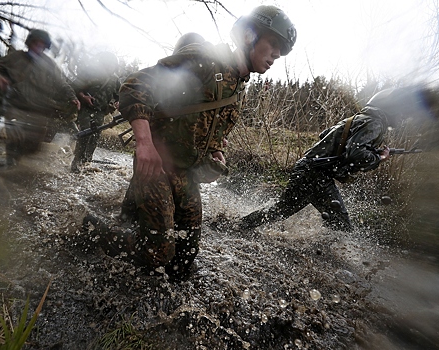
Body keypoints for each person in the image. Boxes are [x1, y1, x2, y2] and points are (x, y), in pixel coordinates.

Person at [83, 5, 297, 281]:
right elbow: (134, 87)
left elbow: (214, 131)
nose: (277, 54)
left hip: (186, 174)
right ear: (248, 36)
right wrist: (144, 145)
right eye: (274, 44)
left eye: (281, 49)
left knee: (184, 259)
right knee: (158, 253)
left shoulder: (239, 88)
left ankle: (130, 224)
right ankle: (93, 228)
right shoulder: (204, 61)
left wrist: (216, 153)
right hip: (157, 164)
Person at [239, 86, 439, 232]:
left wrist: (368, 149)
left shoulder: (357, 119)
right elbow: (355, 155)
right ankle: (327, 264)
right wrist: (378, 158)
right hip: (316, 173)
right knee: (341, 225)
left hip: (308, 168)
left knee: (281, 210)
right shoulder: (375, 124)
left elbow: (325, 136)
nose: (403, 117)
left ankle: (240, 226)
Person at [0, 29, 80, 166]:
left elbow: (61, 83)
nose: (38, 47)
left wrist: (72, 97)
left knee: (33, 147)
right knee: (14, 140)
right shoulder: (15, 57)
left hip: (40, 109)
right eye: (36, 43)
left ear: (45, 47)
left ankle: (23, 169)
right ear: (30, 43)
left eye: (42, 45)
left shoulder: (49, 64)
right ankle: (11, 167)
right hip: (17, 105)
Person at [70, 52, 121, 173]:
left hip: (101, 112)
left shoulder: (115, 80)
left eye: (113, 65)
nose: (111, 66)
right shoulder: (91, 73)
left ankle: (86, 162)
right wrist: (83, 97)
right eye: (108, 64)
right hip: (86, 108)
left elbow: (118, 96)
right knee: (86, 132)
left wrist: (115, 103)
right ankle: (77, 162)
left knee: (95, 135)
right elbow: (75, 88)